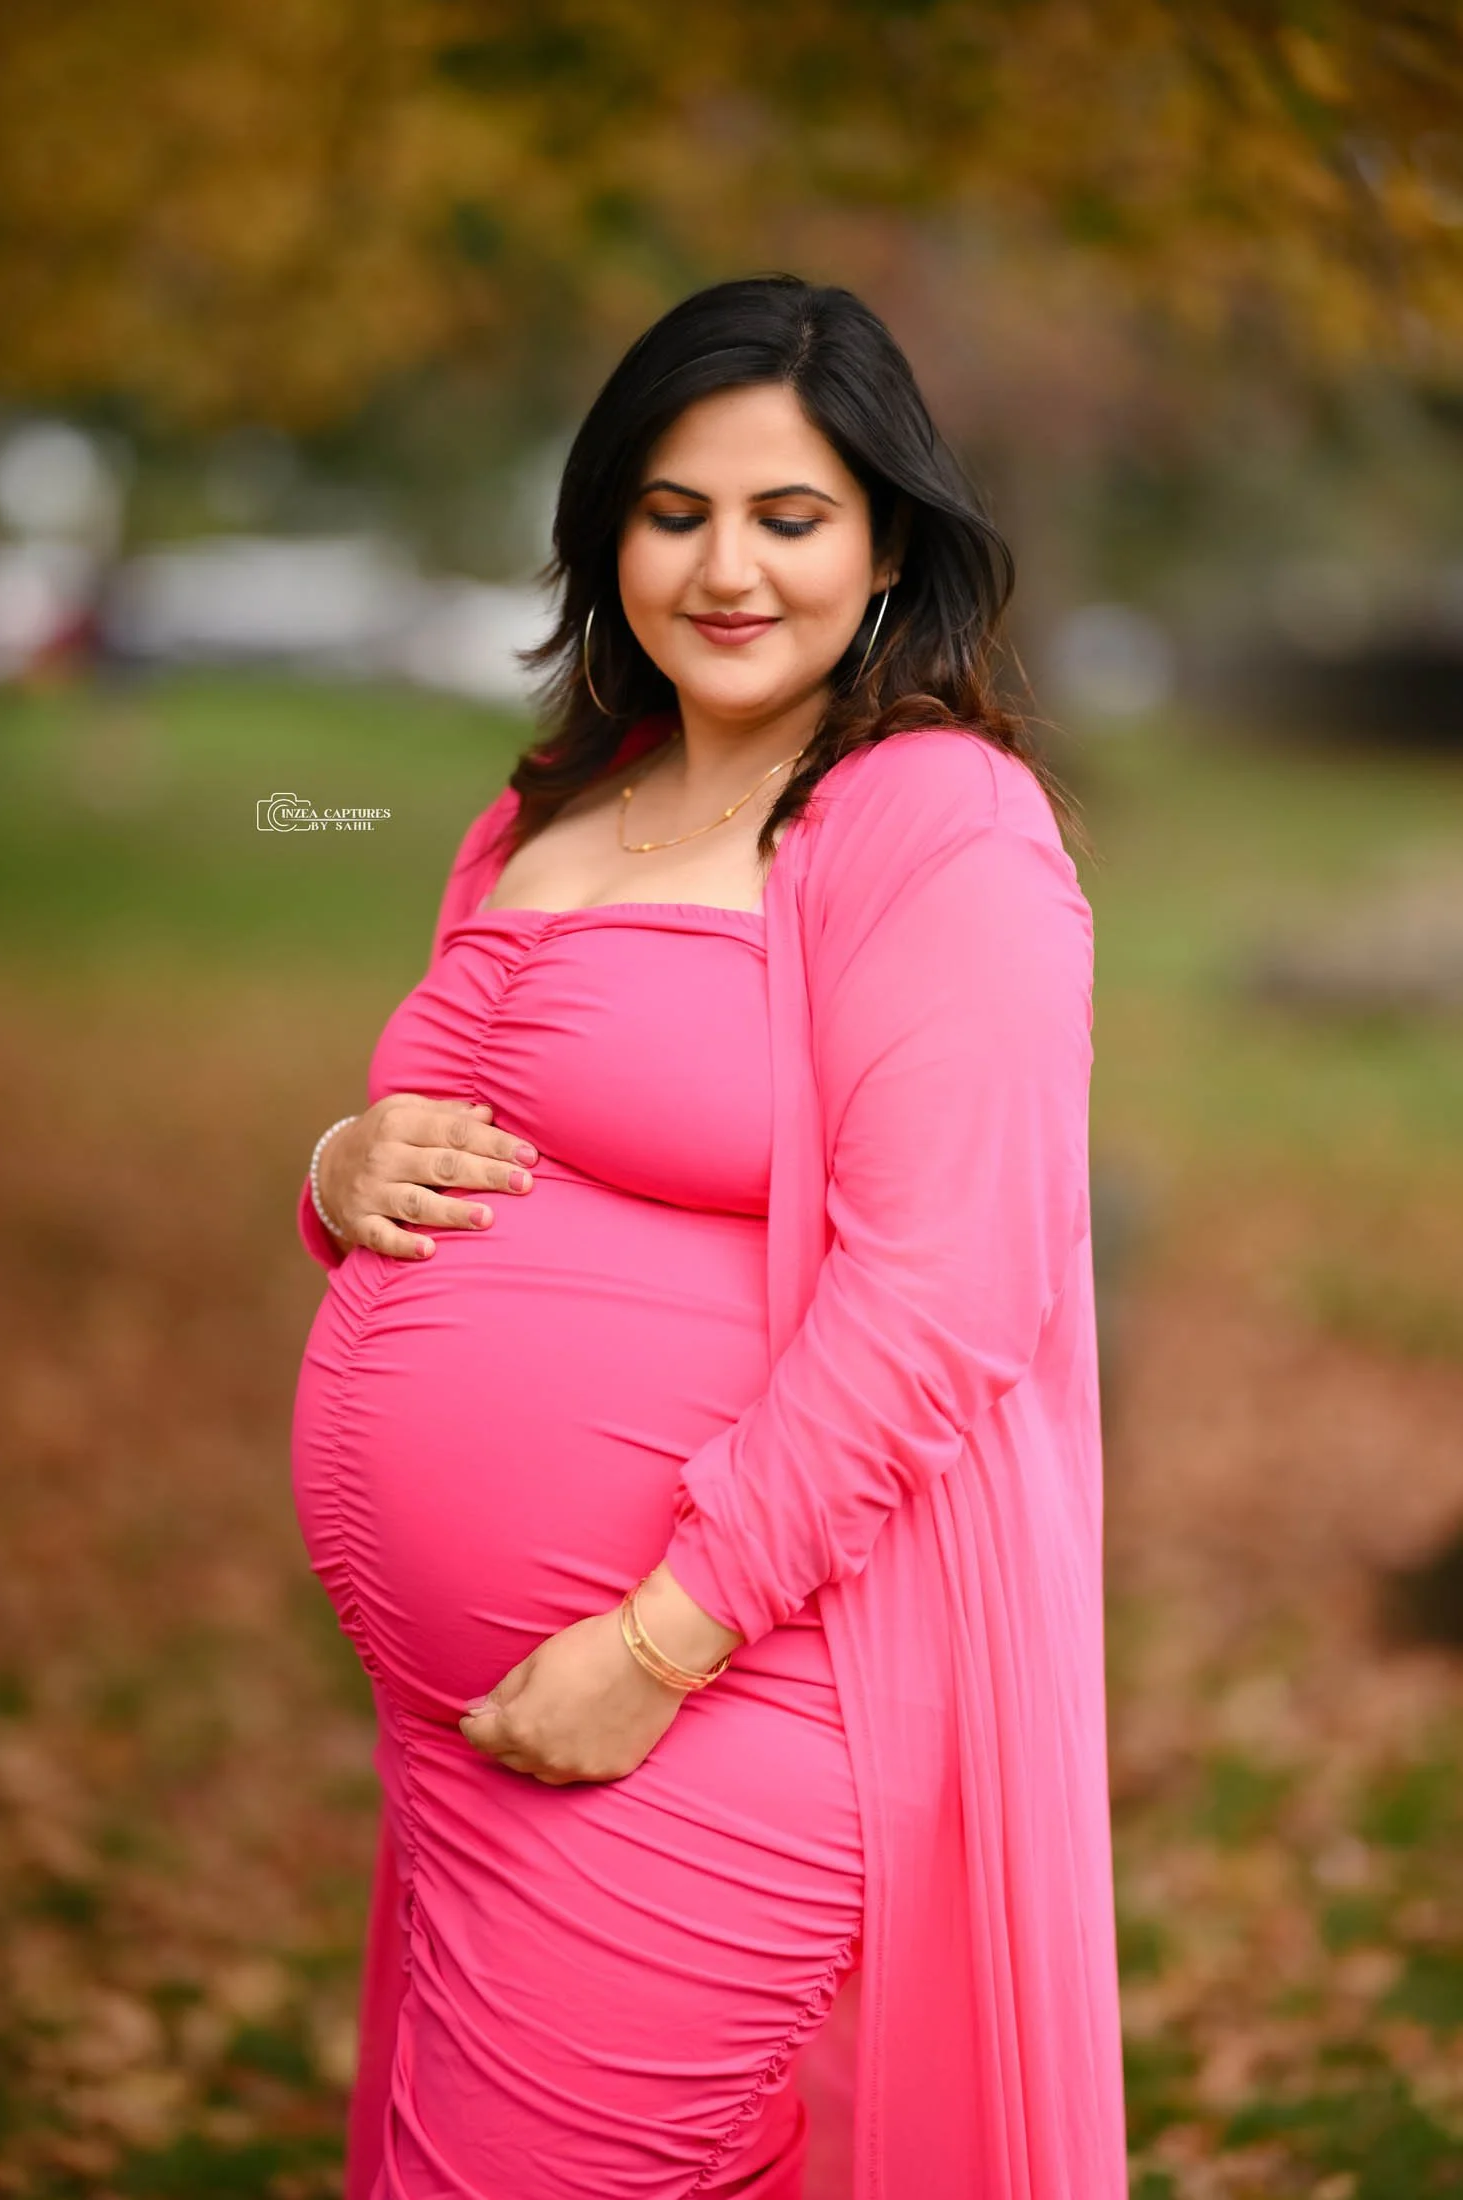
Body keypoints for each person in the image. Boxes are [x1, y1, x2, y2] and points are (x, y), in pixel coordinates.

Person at [290, 273, 1127, 2200]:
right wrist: (335, 1169)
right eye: (675, 512)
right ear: (604, 532)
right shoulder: (550, 807)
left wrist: (656, 1647)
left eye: (788, 515)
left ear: (888, 541)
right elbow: (469, 1145)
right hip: (468, 1724)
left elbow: (942, 1296)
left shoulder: (938, 826)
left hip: (709, 1696)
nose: (725, 568)